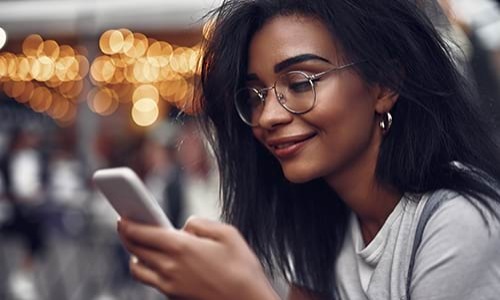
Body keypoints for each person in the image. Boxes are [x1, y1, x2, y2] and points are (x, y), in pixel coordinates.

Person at [117, 0, 500, 299]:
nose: (267, 115)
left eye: (300, 83)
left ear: (384, 85)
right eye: (255, 94)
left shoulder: (457, 222)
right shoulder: (322, 220)